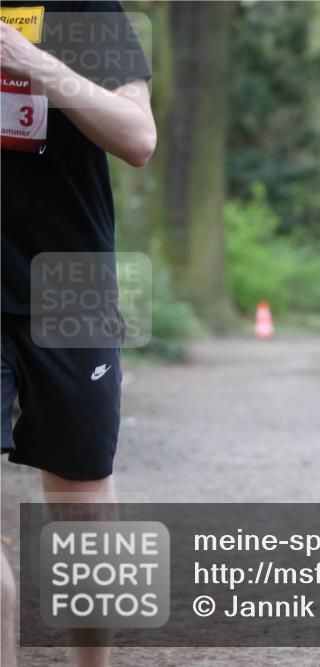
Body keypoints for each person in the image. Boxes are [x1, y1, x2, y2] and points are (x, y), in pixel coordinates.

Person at [1, 2, 155, 664]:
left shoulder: (80, 9)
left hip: (70, 288)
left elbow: (137, 136)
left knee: (85, 523)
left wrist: (29, 61)